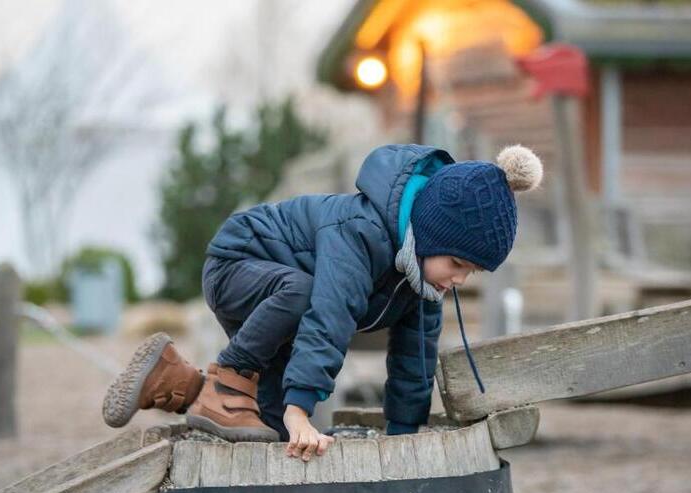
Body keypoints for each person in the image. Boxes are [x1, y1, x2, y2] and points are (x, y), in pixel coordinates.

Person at [102, 143, 542, 462]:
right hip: (241, 267)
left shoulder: (422, 282)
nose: (461, 278)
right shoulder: (359, 233)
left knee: (265, 432)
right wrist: (301, 411)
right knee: (303, 297)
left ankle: (171, 380)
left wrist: (404, 438)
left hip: (289, 311)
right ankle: (228, 380)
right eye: (458, 262)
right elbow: (329, 316)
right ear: (428, 233)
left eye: (473, 272)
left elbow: (416, 360)